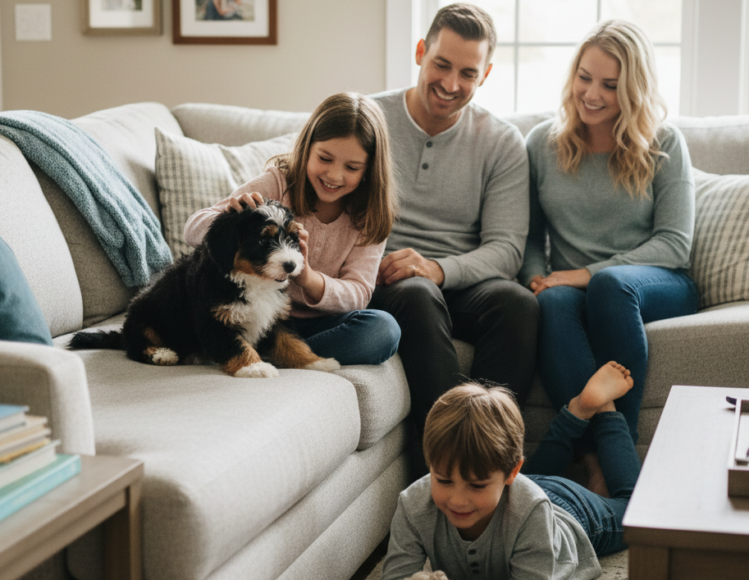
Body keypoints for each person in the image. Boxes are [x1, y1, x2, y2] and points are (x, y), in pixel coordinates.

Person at [519, 20, 698, 447]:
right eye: (584, 77)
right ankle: (600, 457)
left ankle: (621, 442)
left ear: (634, 90)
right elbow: (530, 238)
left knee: (610, 285)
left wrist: (585, 273)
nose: (591, 93)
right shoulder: (542, 143)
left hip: (654, 284)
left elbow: (674, 244)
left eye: (610, 85)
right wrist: (538, 279)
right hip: (573, 289)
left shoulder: (664, 143)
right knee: (553, 302)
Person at [370, 3, 538, 441]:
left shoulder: (501, 141)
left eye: (467, 73)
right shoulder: (369, 119)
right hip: (384, 280)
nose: (450, 84)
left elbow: (506, 249)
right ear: (420, 52)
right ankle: (445, 456)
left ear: (485, 75)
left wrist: (438, 269)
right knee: (417, 293)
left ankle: (490, 454)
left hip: (455, 281)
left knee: (517, 303)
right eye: (441, 64)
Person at [183, 92, 401, 366]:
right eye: (325, 158)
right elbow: (192, 230)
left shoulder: (369, 215)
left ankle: (280, 353)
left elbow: (358, 294)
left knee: (383, 330)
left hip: (319, 324)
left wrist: (307, 277)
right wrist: (230, 218)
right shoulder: (277, 183)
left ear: (369, 169)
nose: (334, 175)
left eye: (352, 167)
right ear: (308, 148)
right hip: (258, 312)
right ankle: (265, 350)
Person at [381, 361, 640, 580]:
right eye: (444, 481)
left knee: (636, 512)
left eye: (476, 485)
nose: (457, 500)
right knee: (515, 480)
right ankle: (578, 412)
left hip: (567, 509)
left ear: (511, 473)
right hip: (512, 491)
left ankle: (605, 413)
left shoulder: (532, 513)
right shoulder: (412, 504)